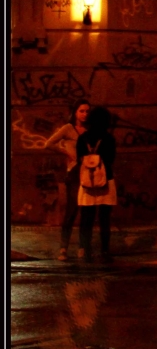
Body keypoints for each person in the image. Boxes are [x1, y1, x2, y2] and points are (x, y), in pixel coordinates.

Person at [45, 99, 89, 261]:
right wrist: (67, 153)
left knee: (86, 212)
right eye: (81, 111)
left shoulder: (89, 130)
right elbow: (48, 143)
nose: (84, 114)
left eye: (87, 111)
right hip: (74, 173)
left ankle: (82, 247)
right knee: (71, 211)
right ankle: (63, 248)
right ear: (75, 112)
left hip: (88, 173)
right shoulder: (68, 129)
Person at [75, 106, 116, 263]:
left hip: (87, 181)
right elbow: (111, 159)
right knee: (104, 218)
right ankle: (105, 250)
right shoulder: (109, 139)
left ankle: (86, 250)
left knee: (87, 218)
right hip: (106, 181)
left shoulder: (82, 139)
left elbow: (79, 158)